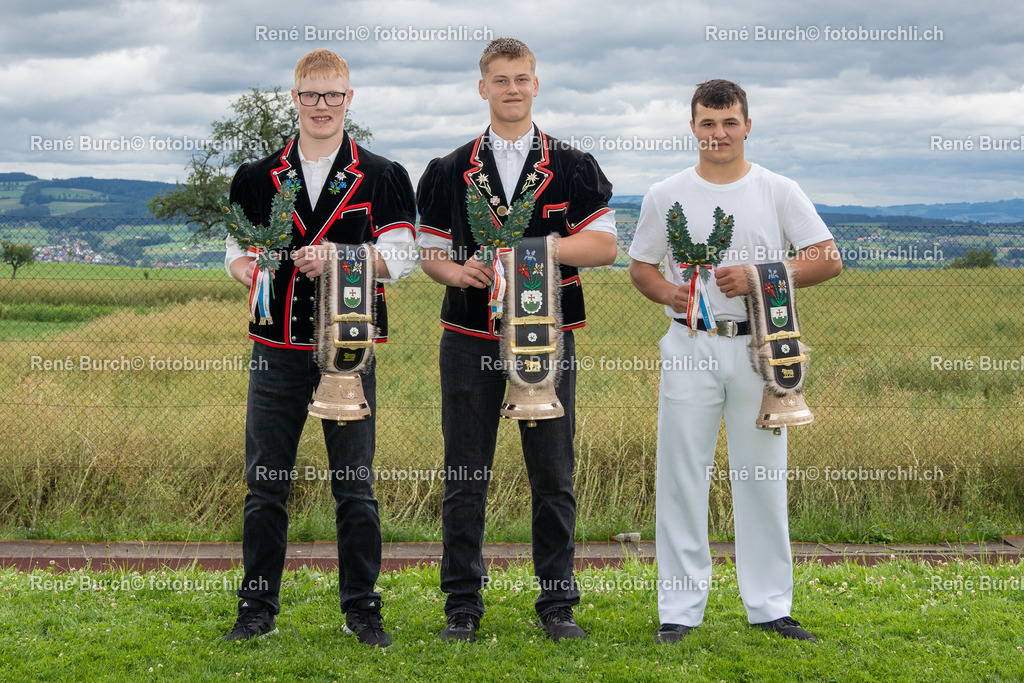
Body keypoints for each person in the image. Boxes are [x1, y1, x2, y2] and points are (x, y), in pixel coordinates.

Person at [416, 37, 617, 643]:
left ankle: (557, 604)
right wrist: (460, 271)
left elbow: (604, 246)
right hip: (469, 334)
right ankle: (462, 606)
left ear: (537, 84)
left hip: (546, 337)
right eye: (500, 79)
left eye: (521, 78)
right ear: (483, 88)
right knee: (465, 472)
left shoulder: (574, 165)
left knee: (553, 473)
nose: (511, 89)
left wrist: (532, 254)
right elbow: (428, 252)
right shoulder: (448, 169)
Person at [628, 79, 842, 644]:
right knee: (681, 476)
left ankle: (770, 605)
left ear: (748, 125)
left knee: (762, 476)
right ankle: (679, 609)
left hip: (762, 349)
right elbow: (642, 267)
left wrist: (761, 275)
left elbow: (826, 259)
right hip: (689, 344)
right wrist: (666, 293)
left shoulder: (777, 189)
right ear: (692, 126)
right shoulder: (664, 193)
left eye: (728, 122)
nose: (717, 134)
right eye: (706, 122)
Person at [221, 48, 416, 648]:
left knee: (354, 482)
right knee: (266, 482)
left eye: (334, 95)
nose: (323, 105)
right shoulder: (256, 177)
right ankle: (256, 608)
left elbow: (402, 259)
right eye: (312, 95)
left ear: (349, 99)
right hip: (276, 348)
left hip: (349, 350)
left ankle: (363, 608)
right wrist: (247, 272)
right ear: (295, 98)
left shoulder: (382, 174)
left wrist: (340, 257)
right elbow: (232, 252)